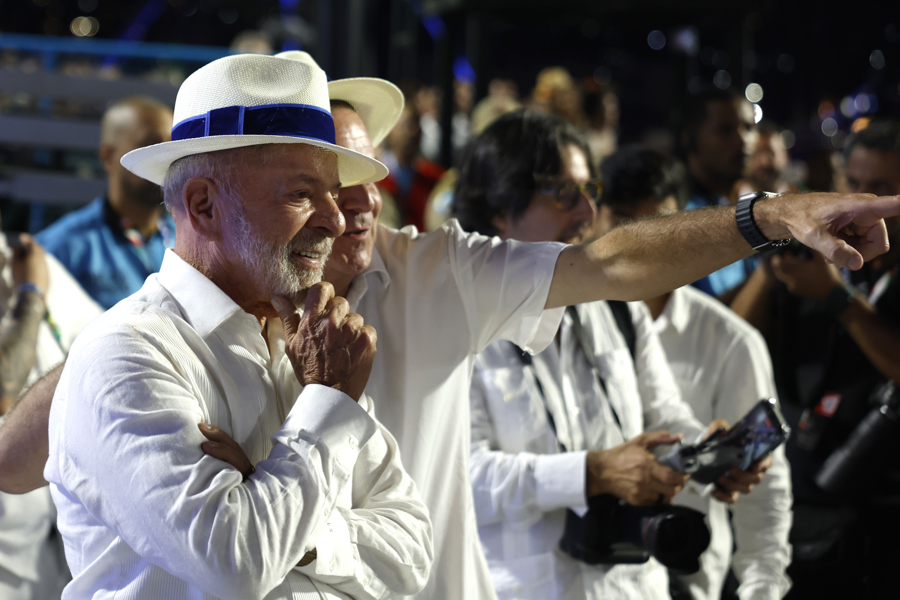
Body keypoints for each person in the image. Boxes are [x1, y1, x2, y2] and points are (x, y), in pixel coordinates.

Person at [2, 52, 900, 600]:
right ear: (204, 202)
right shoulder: (172, 345)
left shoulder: (418, 275)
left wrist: (769, 216)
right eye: (312, 186)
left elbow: (408, 545)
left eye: (355, 176)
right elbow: (29, 460)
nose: (350, 204)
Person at [44, 53, 432, 600]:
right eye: (302, 193)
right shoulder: (127, 354)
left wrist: (279, 507)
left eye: (333, 191)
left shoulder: (308, 344)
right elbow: (237, 562)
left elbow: (415, 550)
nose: (336, 218)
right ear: (204, 205)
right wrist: (324, 402)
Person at [597, 146, 792, 600]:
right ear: (595, 217)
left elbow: (765, 484)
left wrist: (762, 587)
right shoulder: (563, 326)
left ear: (682, 225)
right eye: (623, 221)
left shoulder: (731, 341)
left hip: (685, 574)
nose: (637, 243)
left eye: (656, 227)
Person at [732, 119, 900, 599]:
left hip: (880, 512)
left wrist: (837, 300)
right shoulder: (815, 257)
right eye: (855, 184)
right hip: (800, 498)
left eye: (881, 188)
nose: (864, 200)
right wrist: (775, 261)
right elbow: (734, 336)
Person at [0, 230, 102, 599]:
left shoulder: (30, 260)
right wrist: (30, 295)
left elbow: (107, 349)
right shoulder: (34, 276)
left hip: (53, 550)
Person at [36, 96, 175, 309]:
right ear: (108, 157)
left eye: (171, 146)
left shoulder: (191, 239)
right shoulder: (61, 249)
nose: (165, 160)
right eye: (151, 145)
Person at [678, 89, 759, 302]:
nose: (743, 140)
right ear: (690, 138)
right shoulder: (677, 215)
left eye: (749, 127)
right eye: (725, 130)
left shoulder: (745, 203)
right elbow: (698, 321)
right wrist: (767, 273)